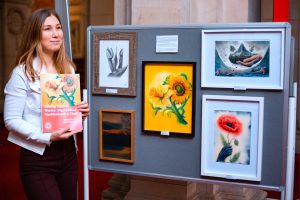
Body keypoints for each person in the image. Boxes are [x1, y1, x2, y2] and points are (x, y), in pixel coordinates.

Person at [3, 8, 89, 200]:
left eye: (58, 28)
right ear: (36, 34)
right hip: (38, 157)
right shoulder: (22, 73)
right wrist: (47, 136)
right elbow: (11, 120)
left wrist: (80, 111)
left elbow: (66, 112)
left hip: (68, 154)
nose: (56, 33)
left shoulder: (68, 68)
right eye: (48, 29)